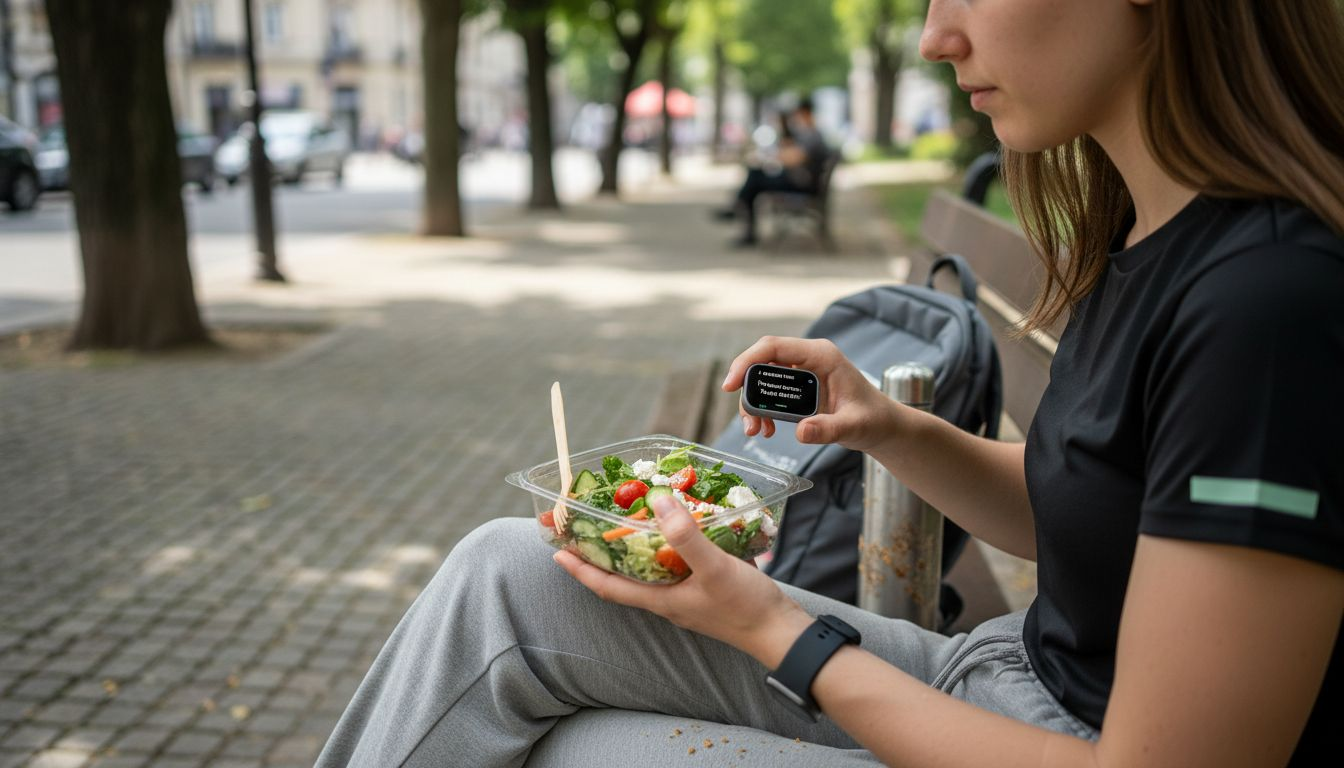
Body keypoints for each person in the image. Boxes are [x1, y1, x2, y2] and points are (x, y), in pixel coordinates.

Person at [316, 1, 1344, 765]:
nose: (936, 36)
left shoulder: (1268, 308)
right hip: (1004, 677)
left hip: (1056, 734)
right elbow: (1096, 518)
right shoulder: (1154, 238)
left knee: (558, 751)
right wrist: (888, 427)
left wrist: (770, 627)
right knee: (508, 571)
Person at [713, 98, 832, 246]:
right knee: (755, 176)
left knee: (755, 177)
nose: (796, 119)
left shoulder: (812, 135)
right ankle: (740, 211)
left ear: (805, 113)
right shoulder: (810, 134)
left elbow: (794, 158)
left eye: (798, 115)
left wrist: (775, 156)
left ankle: (740, 211)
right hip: (802, 183)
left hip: (802, 186)